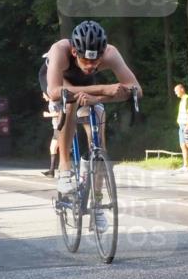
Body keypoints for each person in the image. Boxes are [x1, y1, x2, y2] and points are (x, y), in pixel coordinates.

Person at [40, 20, 142, 230]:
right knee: (69, 104)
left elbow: (136, 90)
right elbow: (54, 91)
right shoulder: (60, 50)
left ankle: (97, 205)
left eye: (95, 62)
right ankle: (65, 167)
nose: (90, 66)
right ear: (75, 52)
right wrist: (106, 89)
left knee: (98, 126)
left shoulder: (110, 53)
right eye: (86, 61)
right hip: (59, 83)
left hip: (88, 88)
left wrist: (99, 98)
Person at [41, 91, 59, 177]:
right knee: (53, 148)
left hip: (60, 127)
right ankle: (51, 171)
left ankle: (69, 169)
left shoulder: (54, 102)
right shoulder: (51, 102)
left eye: (44, 94)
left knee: (61, 149)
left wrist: (48, 115)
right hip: (56, 128)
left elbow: (60, 113)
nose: (43, 97)